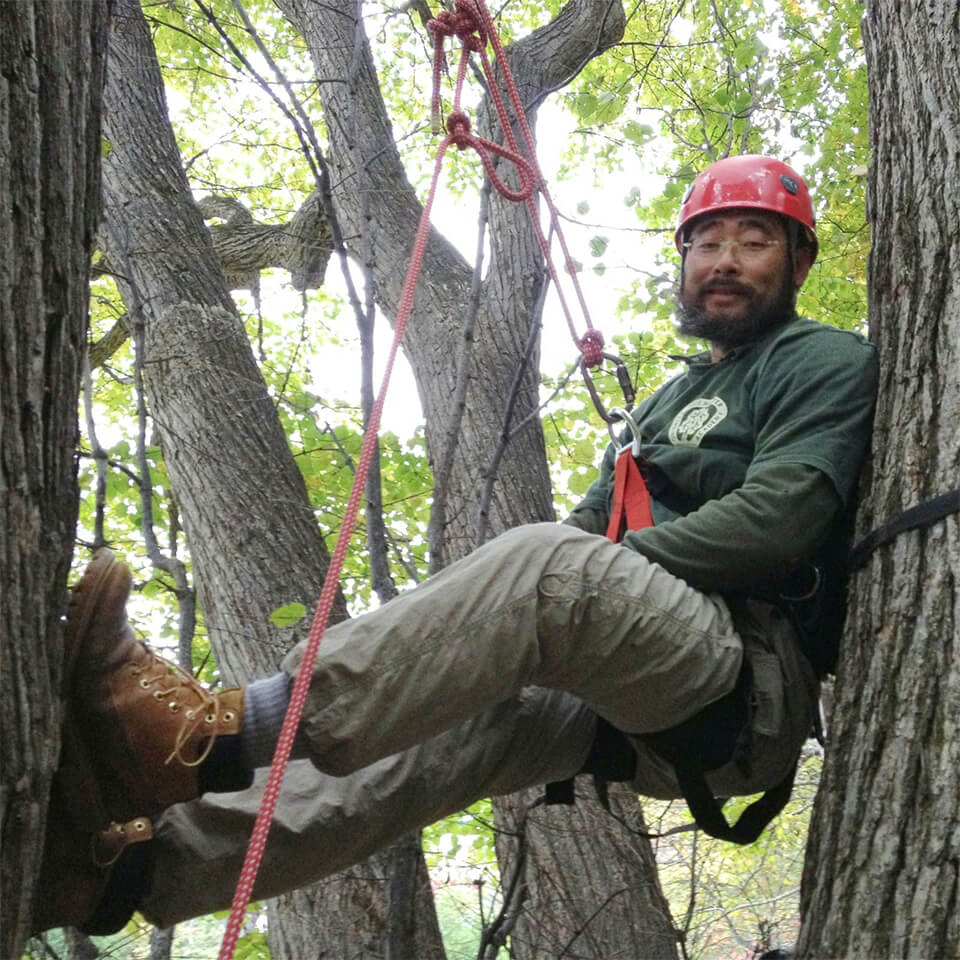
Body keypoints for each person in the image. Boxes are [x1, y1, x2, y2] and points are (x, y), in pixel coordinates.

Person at [33, 155, 878, 936]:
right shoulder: (664, 404)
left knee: (548, 567)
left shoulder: (818, 358)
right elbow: (591, 532)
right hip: (638, 687)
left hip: (744, 681)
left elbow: (778, 518)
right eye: (706, 242)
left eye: (754, 241)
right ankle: (129, 872)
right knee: (438, 726)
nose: (724, 259)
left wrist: (597, 574)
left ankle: (208, 732)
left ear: (798, 265)